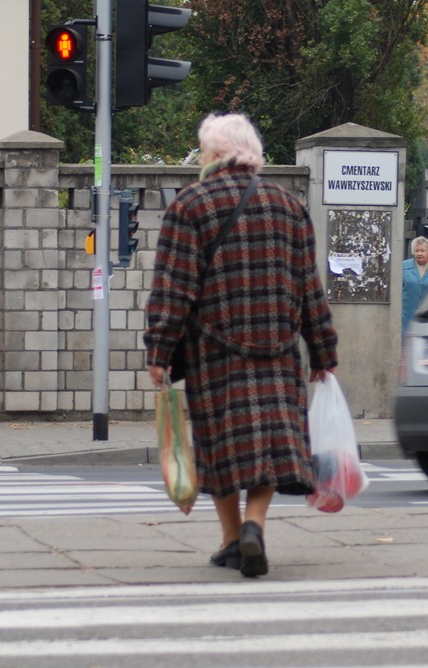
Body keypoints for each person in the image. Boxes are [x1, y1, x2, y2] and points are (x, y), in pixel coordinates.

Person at [145, 113, 338, 578]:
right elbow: (310, 287)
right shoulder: (289, 205)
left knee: (221, 447)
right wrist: (323, 352)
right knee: (270, 447)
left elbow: (174, 289)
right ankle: (251, 527)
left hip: (214, 351)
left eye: (203, 151)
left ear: (214, 154)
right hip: (278, 349)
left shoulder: (190, 205)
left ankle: (232, 537)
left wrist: (159, 351)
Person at [401, 236, 428, 332]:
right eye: (417, 251)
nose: (419, 253)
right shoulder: (403, 267)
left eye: (422, 251)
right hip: (406, 316)